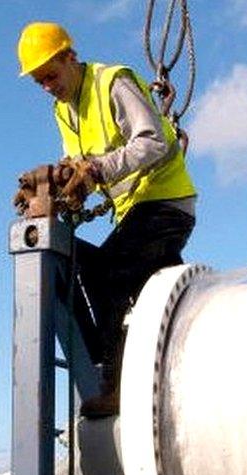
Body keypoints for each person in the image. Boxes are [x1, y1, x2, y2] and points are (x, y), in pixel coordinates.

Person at [16, 21, 197, 417]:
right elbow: (80, 163)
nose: (47, 85)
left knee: (110, 273)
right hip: (133, 211)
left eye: (51, 74)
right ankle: (100, 354)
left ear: (70, 57)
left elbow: (154, 140)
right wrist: (62, 186)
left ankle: (116, 383)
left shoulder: (112, 82)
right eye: (38, 81)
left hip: (165, 204)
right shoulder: (63, 110)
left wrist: (96, 171)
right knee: (71, 259)